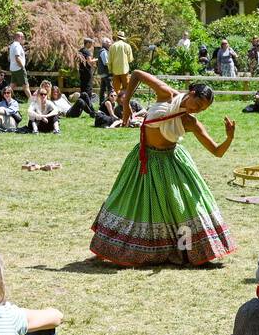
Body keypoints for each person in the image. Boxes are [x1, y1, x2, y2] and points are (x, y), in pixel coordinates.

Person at [90, 71, 235, 266]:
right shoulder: (166, 94)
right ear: (191, 93)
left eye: (203, 109)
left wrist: (229, 138)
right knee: (129, 202)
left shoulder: (190, 122)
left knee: (183, 208)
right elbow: (137, 74)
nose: (198, 110)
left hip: (170, 161)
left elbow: (217, 151)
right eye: (198, 104)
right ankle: (128, 247)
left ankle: (187, 251)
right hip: (144, 158)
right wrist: (125, 104)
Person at [8, 32, 29, 100]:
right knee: (26, 86)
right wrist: (22, 67)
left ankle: (5, 98)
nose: (23, 38)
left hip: (13, 68)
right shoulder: (17, 46)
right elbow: (17, 58)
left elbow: (9, 58)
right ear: (18, 37)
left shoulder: (12, 45)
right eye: (22, 37)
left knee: (12, 85)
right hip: (19, 68)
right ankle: (32, 101)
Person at [77, 38, 95, 103]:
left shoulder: (80, 50)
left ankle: (82, 102)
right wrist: (97, 59)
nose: (91, 45)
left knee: (83, 87)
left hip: (82, 71)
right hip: (87, 71)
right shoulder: (87, 51)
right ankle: (88, 103)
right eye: (91, 43)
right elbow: (89, 61)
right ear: (87, 43)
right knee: (88, 87)